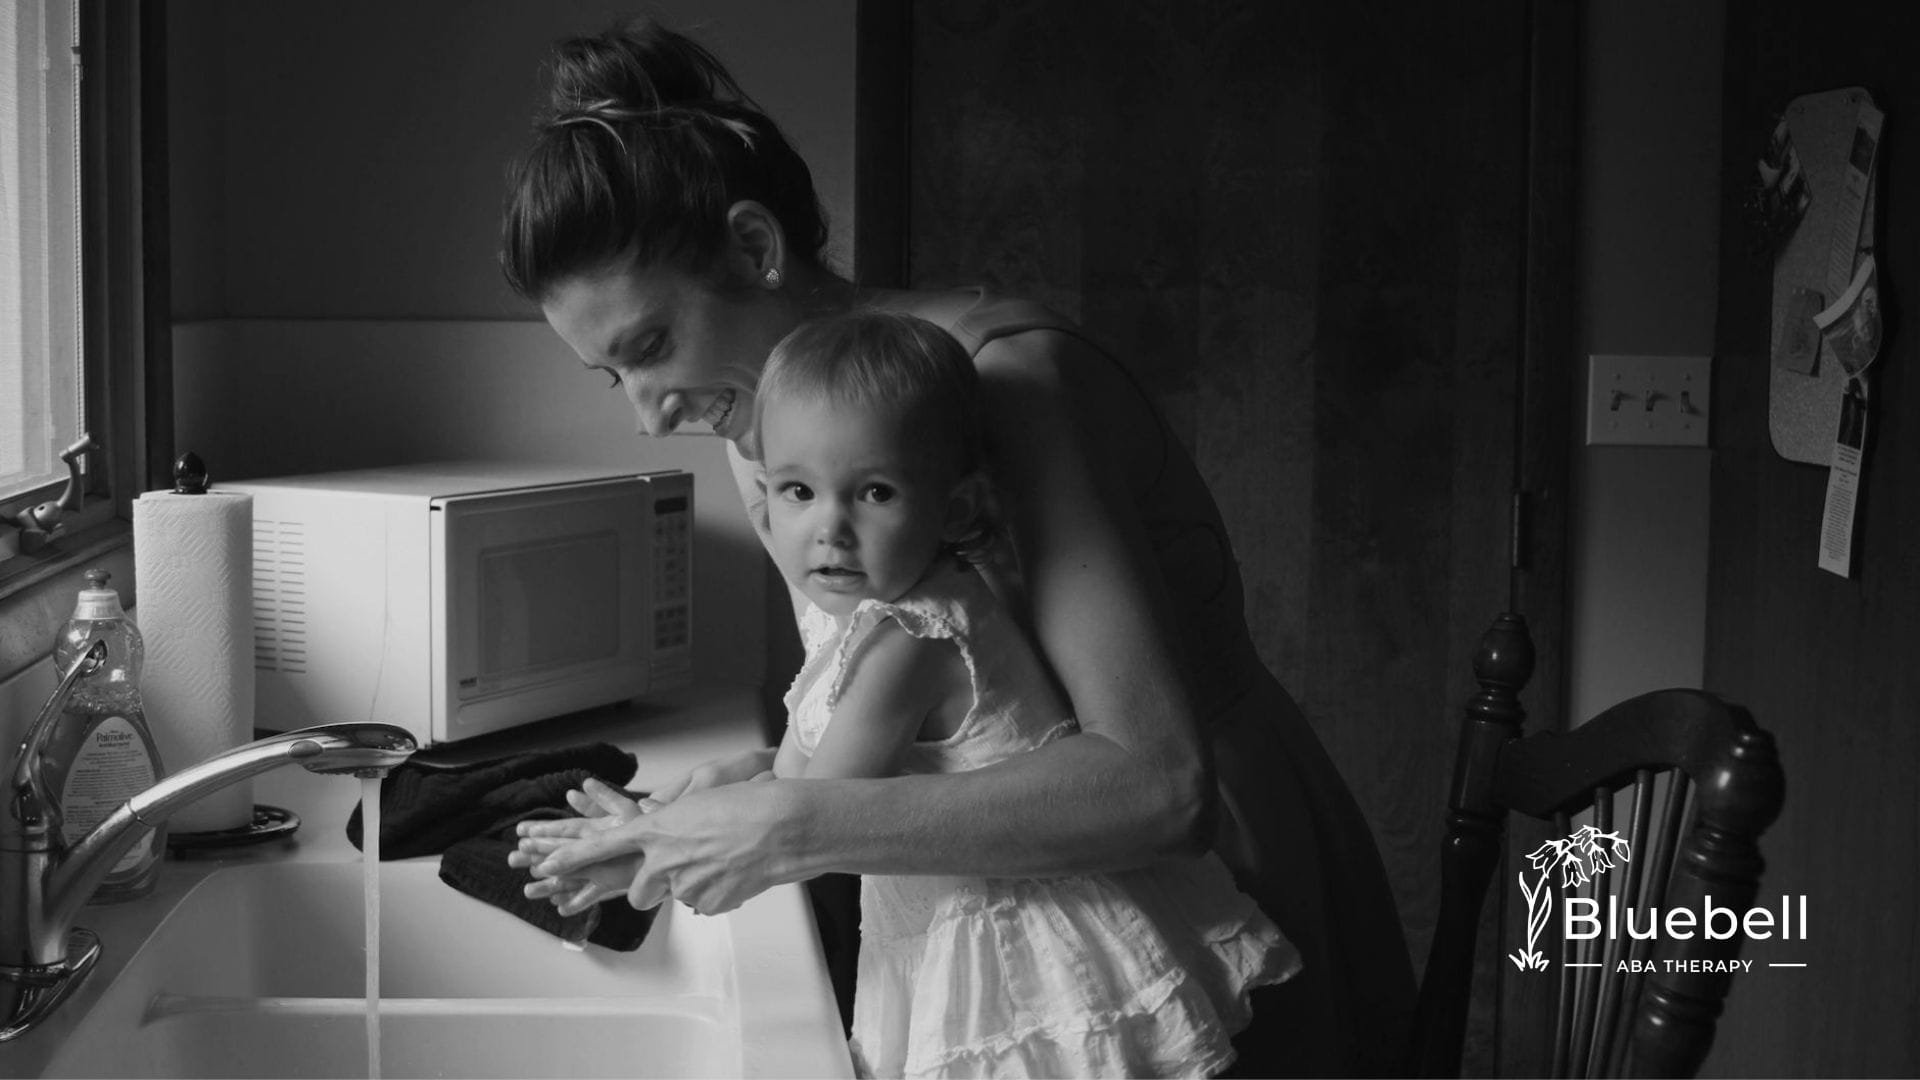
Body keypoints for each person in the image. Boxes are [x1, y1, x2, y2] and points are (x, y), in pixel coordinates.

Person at [499, 16, 1415, 1076]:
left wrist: (786, 823)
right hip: (1002, 928)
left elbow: (1160, 788)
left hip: (1201, 905)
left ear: (754, 248)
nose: (649, 414)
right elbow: (951, 710)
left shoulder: (1002, 385)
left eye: (652, 346)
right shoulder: (763, 425)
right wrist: (738, 791)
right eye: (614, 374)